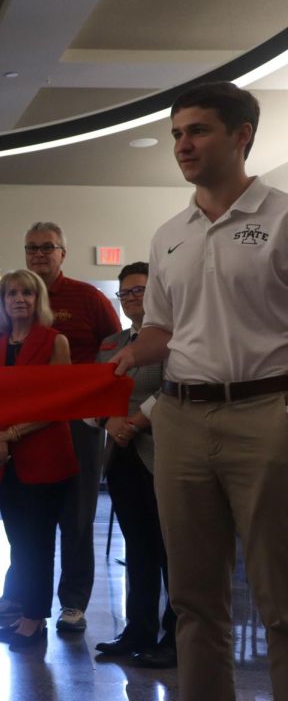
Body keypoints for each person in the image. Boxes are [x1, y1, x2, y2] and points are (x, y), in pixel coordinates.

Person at [112, 81, 288, 701]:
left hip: (267, 413)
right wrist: (132, 353)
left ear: (242, 135)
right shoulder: (169, 235)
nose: (183, 145)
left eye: (198, 130)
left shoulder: (283, 217)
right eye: (177, 134)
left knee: (280, 595)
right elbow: (162, 327)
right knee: (191, 599)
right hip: (180, 423)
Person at [0, 222, 120, 634]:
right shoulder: (7, 318)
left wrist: (97, 404)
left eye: (47, 247)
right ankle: (20, 596)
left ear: (63, 252)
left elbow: (115, 350)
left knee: (75, 516)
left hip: (74, 420)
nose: (39, 254)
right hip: (15, 426)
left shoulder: (88, 297)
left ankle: (72, 603)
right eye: (31, 248)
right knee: (25, 519)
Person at [0, 269, 77, 650]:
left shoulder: (55, 341)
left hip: (45, 456)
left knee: (38, 543)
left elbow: (62, 401)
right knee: (19, 543)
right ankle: (25, 614)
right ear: (2, 302)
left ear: (38, 299)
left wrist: (11, 433)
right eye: (10, 293)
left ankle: (34, 621)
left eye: (26, 292)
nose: (18, 299)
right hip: (7, 460)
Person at [93, 262, 176, 667]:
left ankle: (174, 639)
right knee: (138, 547)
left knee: (169, 551)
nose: (131, 298)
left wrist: (136, 420)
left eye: (139, 290)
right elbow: (94, 394)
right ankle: (137, 631)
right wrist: (110, 420)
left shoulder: (172, 339)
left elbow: (172, 389)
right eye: (124, 293)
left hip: (162, 452)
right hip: (121, 455)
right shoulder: (111, 342)